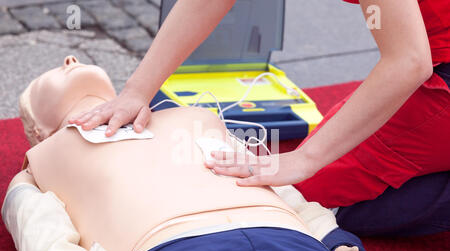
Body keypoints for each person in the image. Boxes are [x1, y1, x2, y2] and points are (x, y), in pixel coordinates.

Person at [1, 57, 380, 251]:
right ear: (36, 129)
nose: (70, 58)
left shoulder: (190, 115)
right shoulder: (39, 165)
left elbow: (270, 180)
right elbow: (40, 234)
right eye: (51, 71)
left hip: (287, 239)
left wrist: (329, 239)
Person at [69, 0, 449, 217]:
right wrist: (137, 90)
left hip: (433, 69)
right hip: (430, 56)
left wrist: (304, 160)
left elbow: (408, 62)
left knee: (303, 197)